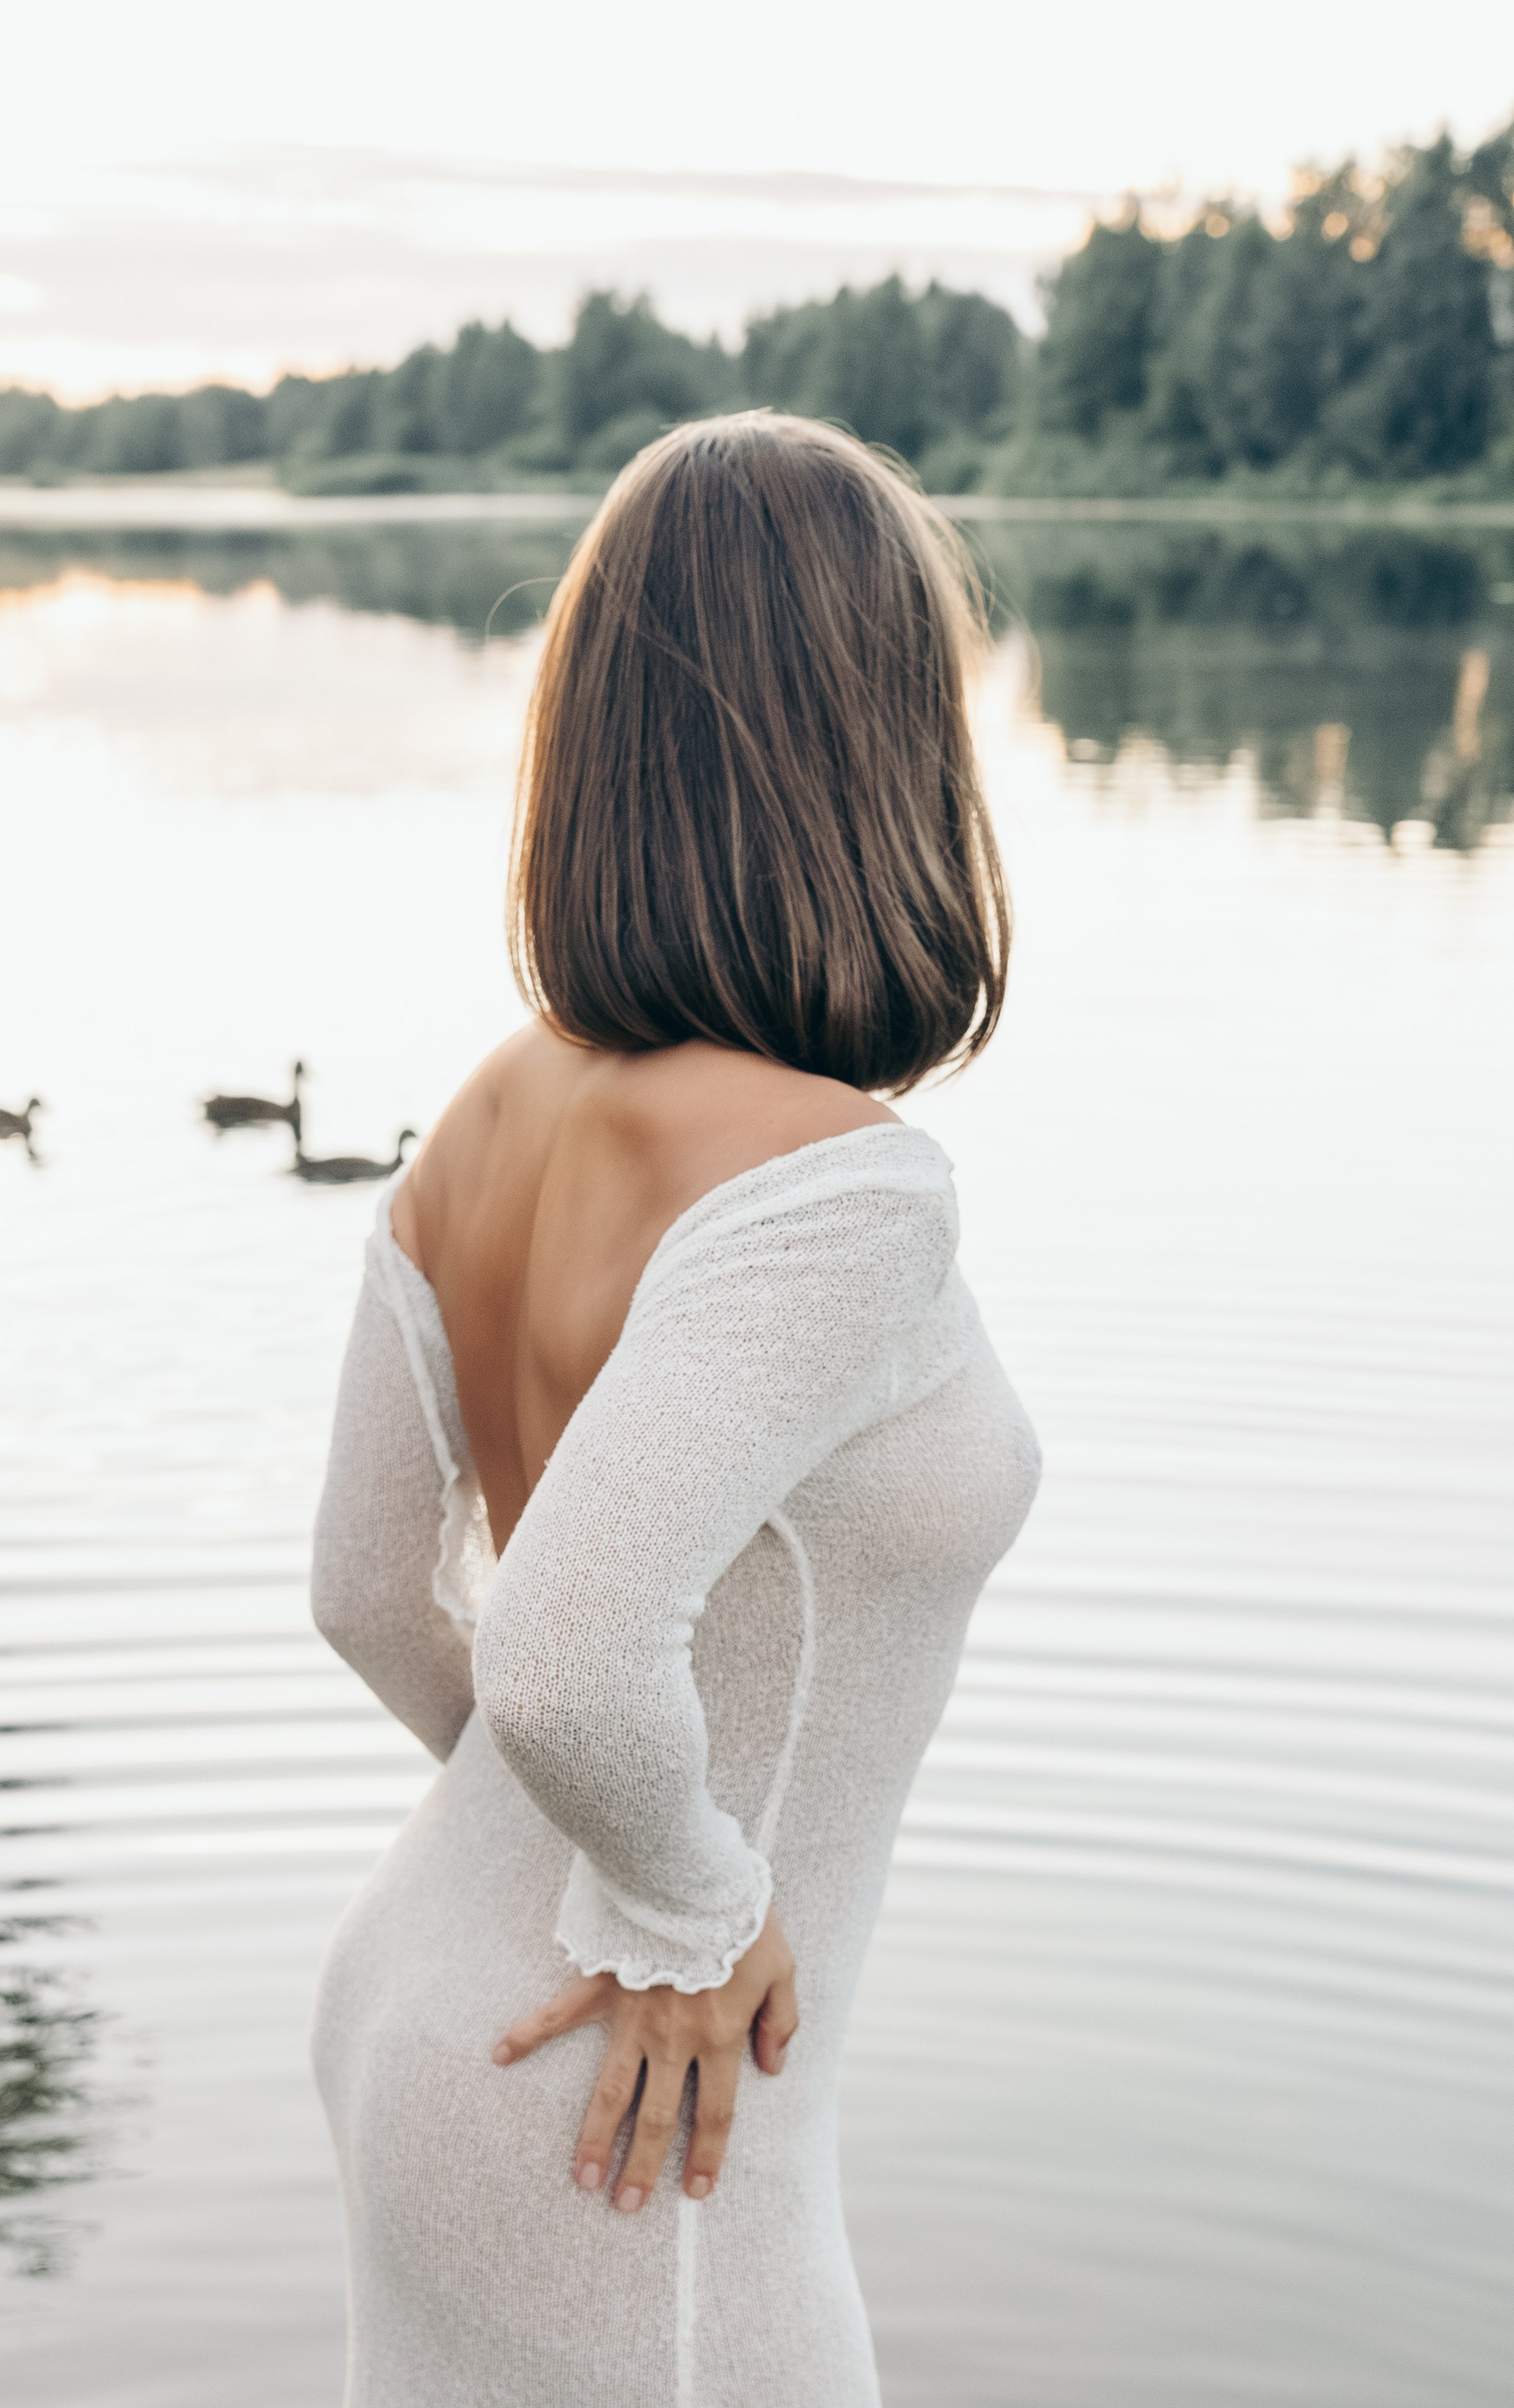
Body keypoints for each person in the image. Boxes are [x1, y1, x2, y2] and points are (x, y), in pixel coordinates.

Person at [308, 410, 1042, 2405]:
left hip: (432, 2005)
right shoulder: (846, 1187)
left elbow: (369, 1591)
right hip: (617, 2084)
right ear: (882, 741)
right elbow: (555, 1648)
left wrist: (544, 1847)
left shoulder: (486, 1107)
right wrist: (684, 1900)